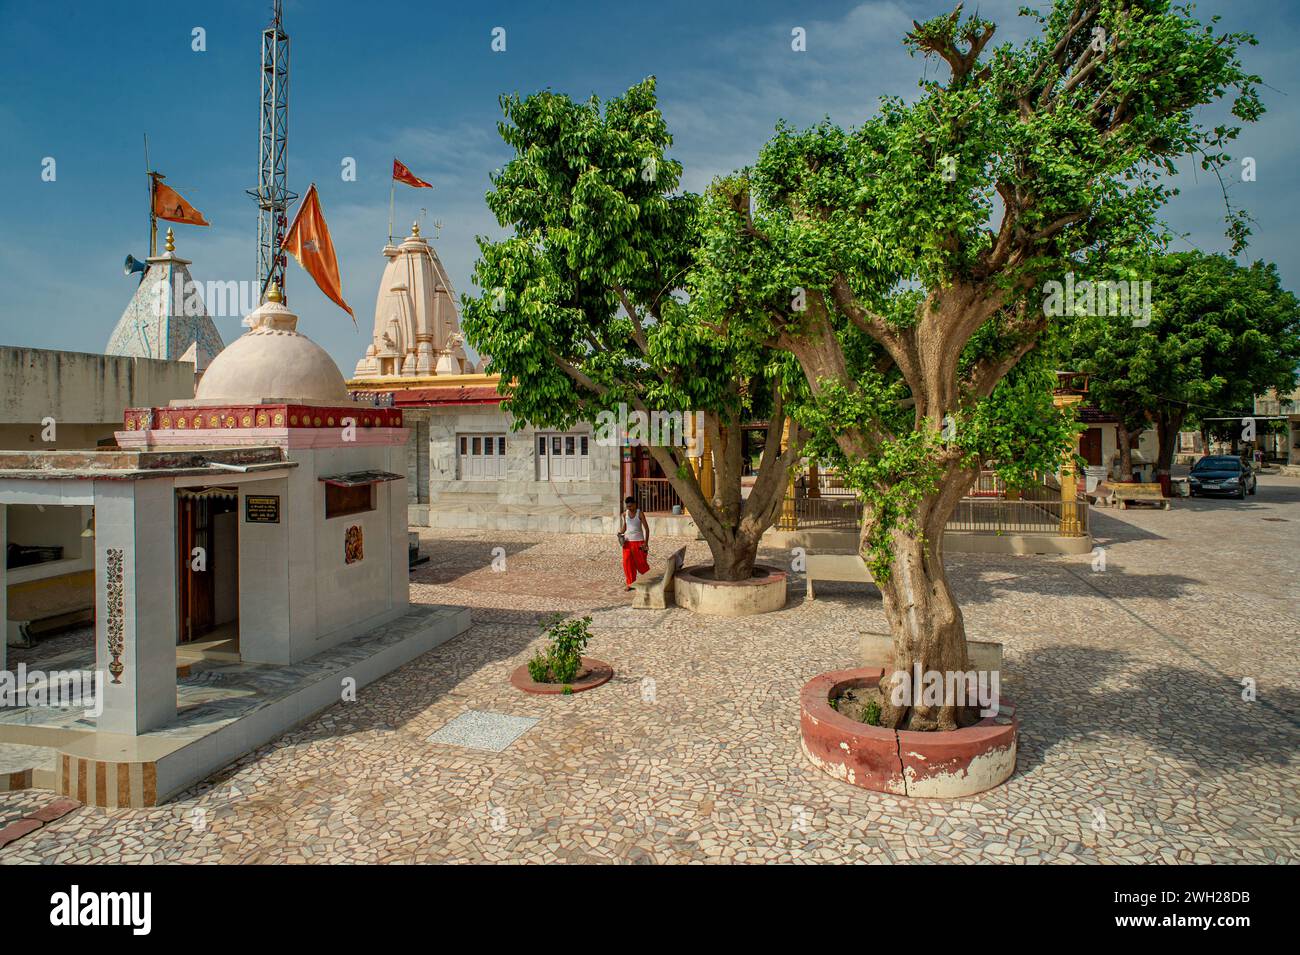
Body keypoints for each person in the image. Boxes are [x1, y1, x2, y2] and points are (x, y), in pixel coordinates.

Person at [618, 496, 650, 591]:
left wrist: (646, 543)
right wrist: (620, 533)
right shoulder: (625, 514)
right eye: (628, 507)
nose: (629, 508)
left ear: (635, 504)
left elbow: (647, 529)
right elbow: (625, 526)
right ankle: (631, 583)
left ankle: (649, 580)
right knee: (627, 563)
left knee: (641, 563)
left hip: (639, 542)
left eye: (631, 506)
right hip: (627, 543)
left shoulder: (640, 514)